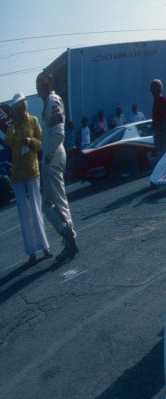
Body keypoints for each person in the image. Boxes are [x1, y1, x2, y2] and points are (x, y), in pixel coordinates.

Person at [3, 93, 51, 265]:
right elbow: (8, 141)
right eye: (16, 108)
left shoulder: (33, 121)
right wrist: (14, 128)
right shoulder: (12, 126)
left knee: (37, 210)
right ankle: (31, 251)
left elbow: (41, 143)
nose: (20, 110)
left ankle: (44, 247)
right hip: (17, 174)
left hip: (32, 170)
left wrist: (31, 140)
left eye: (21, 107)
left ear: (25, 107)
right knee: (23, 213)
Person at [35, 72, 78, 262]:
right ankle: (66, 233)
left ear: (47, 85)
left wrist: (49, 156)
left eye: (39, 85)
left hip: (53, 155)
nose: (37, 89)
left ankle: (70, 241)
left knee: (59, 202)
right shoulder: (48, 103)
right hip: (49, 156)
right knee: (46, 205)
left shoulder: (53, 101)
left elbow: (59, 132)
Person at [150, 79, 166, 160]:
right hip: (158, 129)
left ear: (156, 89)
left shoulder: (161, 98)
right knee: (160, 152)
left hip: (161, 130)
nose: (150, 90)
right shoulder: (157, 99)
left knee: (162, 152)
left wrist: (164, 123)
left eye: (152, 88)